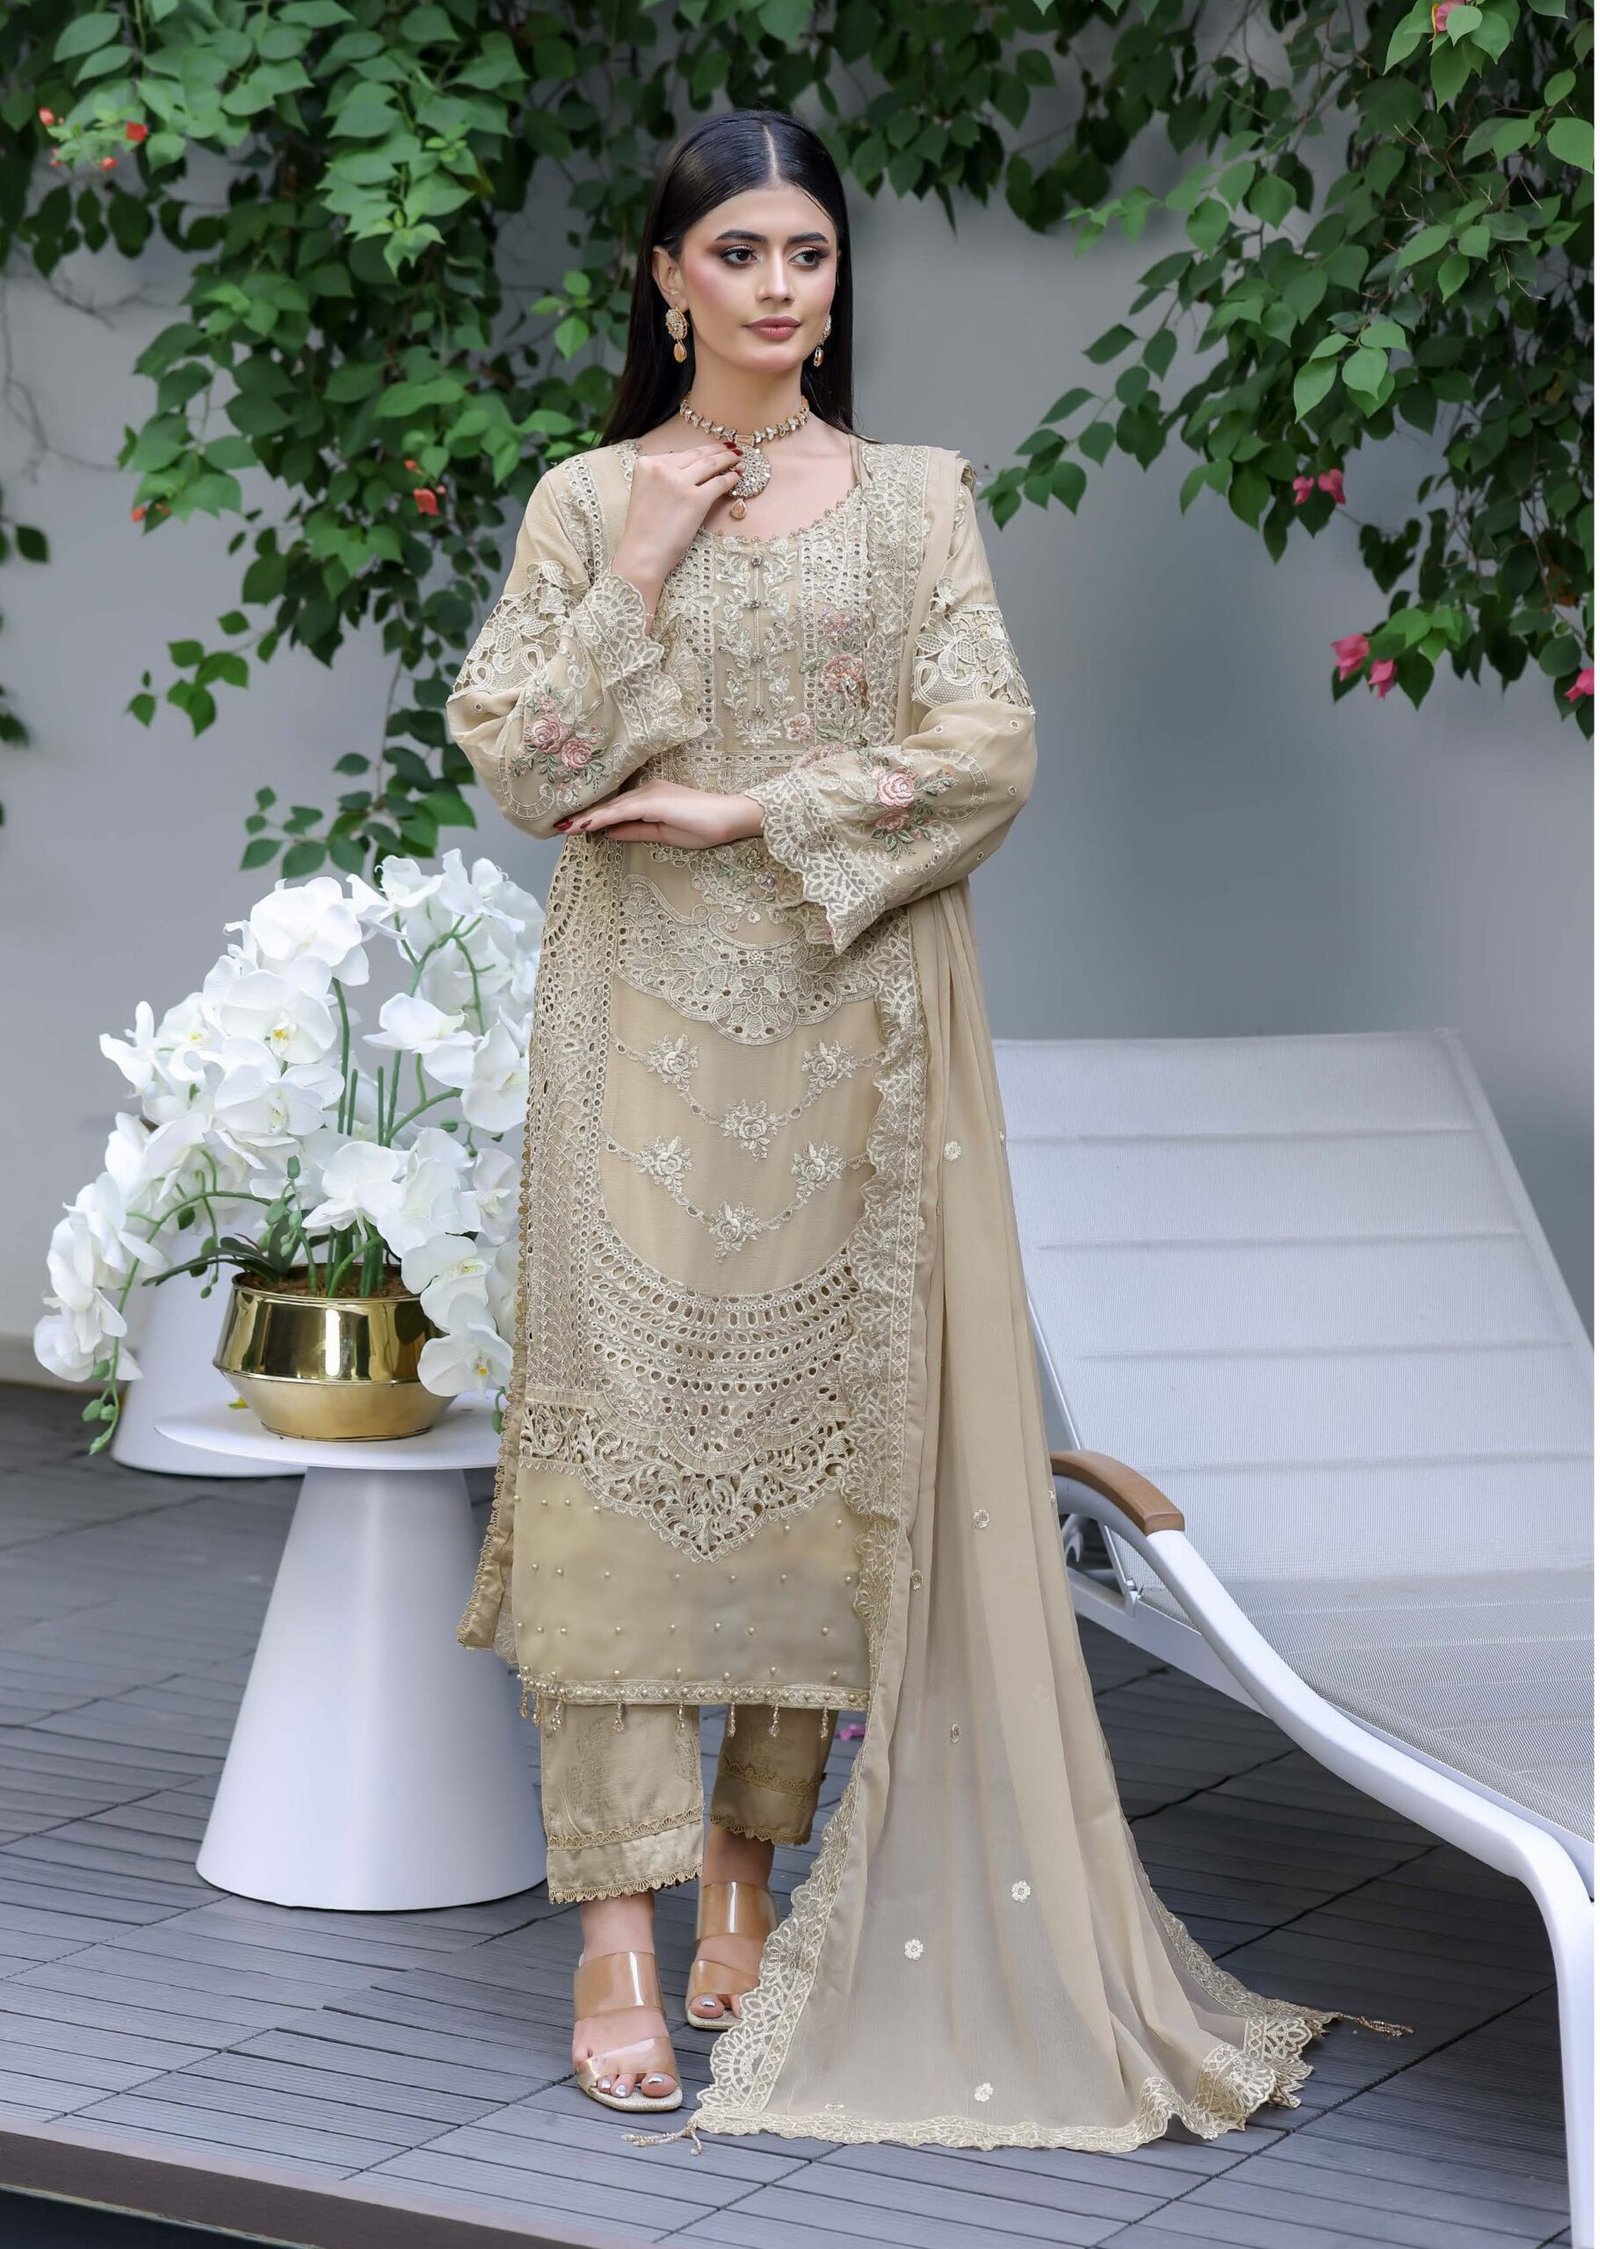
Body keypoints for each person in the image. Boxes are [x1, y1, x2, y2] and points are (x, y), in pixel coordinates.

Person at [446, 106, 1408, 2152]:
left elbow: (987, 748)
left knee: (820, 1470)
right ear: (665, 279)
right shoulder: (584, 502)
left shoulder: (912, 502)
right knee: (617, 1466)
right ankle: (613, 1937)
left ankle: (743, 1877)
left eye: (807, 253)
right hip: (631, 1035)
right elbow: (526, 765)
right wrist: (641, 563)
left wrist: (748, 807)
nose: (778, 288)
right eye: (738, 253)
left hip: (847, 1031)